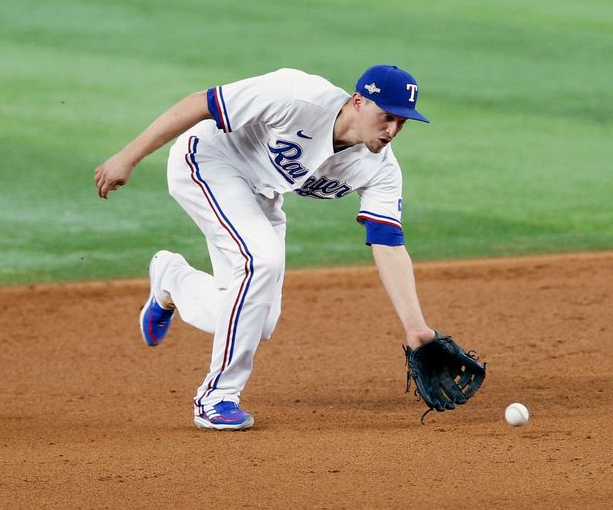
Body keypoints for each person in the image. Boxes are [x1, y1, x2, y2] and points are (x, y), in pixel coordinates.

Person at [95, 65, 441, 430]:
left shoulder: (380, 169)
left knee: (255, 320)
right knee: (261, 260)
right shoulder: (297, 95)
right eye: (386, 116)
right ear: (357, 102)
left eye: (402, 122)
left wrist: (415, 327)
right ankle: (216, 397)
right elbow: (199, 103)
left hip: (258, 192)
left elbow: (388, 244)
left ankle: (173, 280)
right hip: (207, 161)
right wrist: (128, 157)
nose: (393, 130)